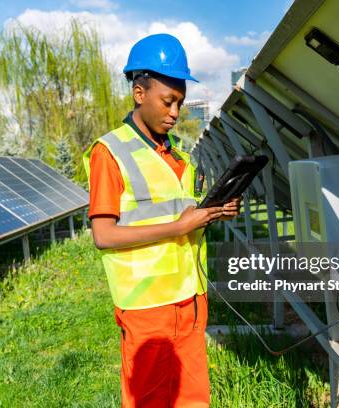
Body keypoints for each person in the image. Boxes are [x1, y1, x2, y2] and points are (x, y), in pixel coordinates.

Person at [82, 33, 241, 407]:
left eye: (180, 104)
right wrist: (180, 226)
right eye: (167, 101)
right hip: (146, 308)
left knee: (193, 398)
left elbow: (182, 223)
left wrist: (211, 214)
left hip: (191, 299)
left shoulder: (179, 158)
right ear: (140, 93)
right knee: (150, 400)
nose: (174, 112)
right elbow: (103, 235)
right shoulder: (111, 152)